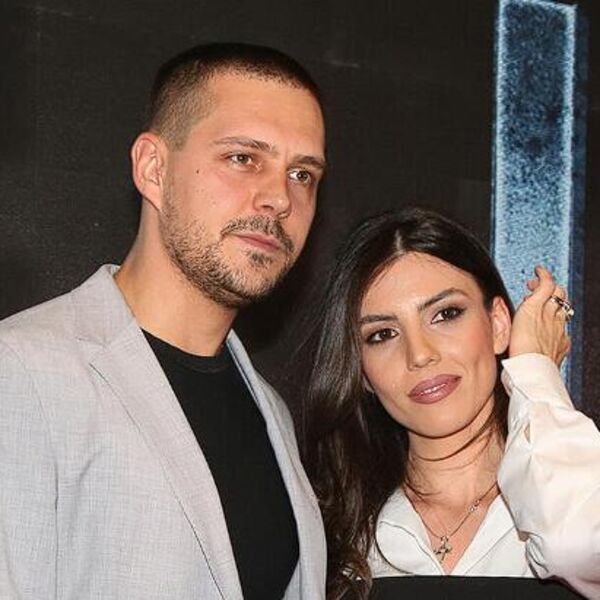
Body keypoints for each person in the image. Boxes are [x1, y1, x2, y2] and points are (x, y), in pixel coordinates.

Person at [0, 43, 327, 600]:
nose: (279, 198)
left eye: (302, 173)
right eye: (243, 158)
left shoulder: (270, 409)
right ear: (153, 168)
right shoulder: (24, 373)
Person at [303, 208, 600, 600]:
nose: (419, 354)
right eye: (383, 334)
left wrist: (535, 371)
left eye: (446, 314)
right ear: (361, 371)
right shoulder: (328, 534)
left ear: (498, 325)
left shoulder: (576, 491)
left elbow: (577, 547)